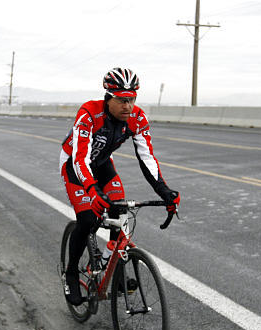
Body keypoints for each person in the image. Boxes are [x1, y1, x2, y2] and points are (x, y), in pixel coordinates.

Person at [59, 67, 180, 306]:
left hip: (103, 164)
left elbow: (147, 158)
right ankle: (71, 274)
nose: (128, 105)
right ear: (108, 97)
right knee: (87, 219)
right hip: (75, 165)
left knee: (120, 211)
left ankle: (116, 273)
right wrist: (92, 191)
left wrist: (165, 192)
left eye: (132, 99)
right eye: (122, 100)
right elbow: (80, 158)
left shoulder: (137, 118)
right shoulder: (89, 113)